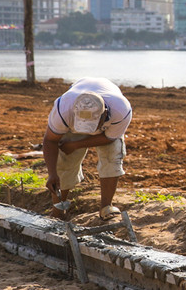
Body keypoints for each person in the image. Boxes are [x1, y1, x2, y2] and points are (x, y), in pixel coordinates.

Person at [42, 77, 133, 220]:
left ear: (104, 115)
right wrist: (52, 173)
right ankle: (58, 211)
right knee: (64, 162)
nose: (87, 131)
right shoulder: (64, 109)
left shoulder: (120, 111)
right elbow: (50, 140)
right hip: (71, 123)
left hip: (108, 132)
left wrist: (75, 145)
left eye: (92, 125)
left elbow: (109, 138)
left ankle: (106, 207)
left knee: (112, 156)